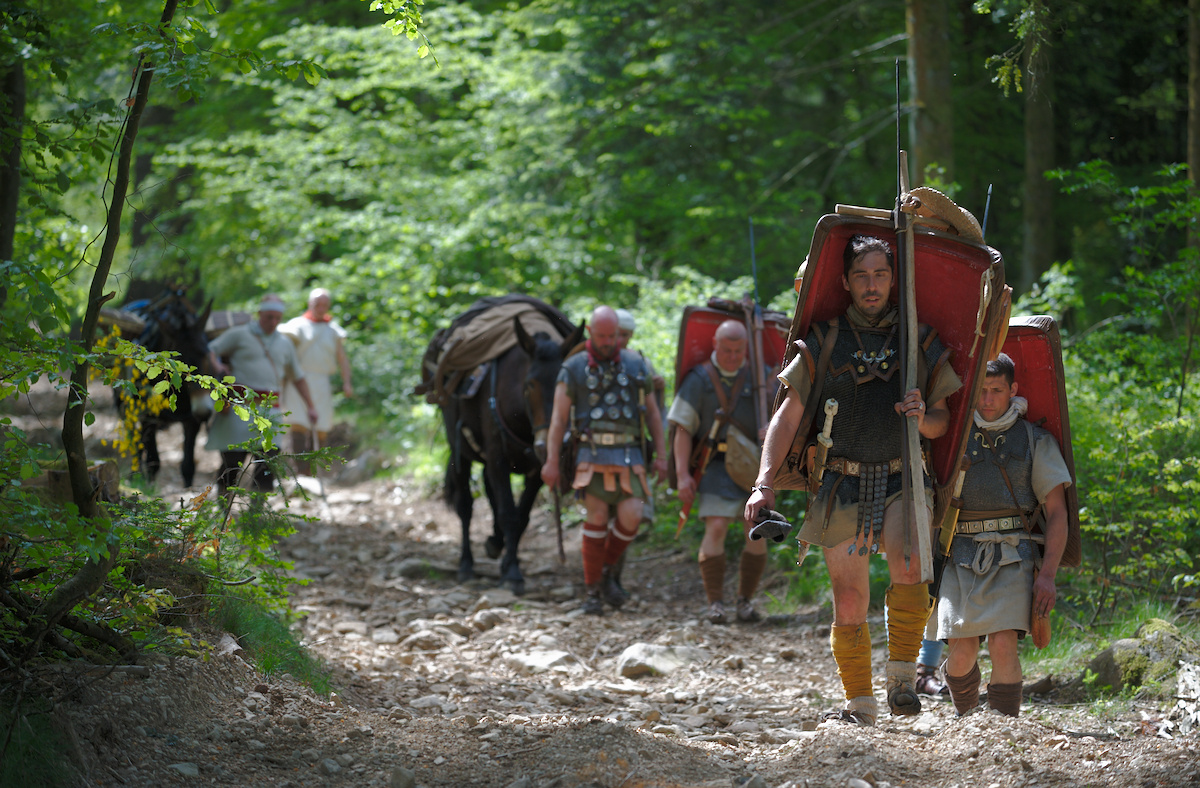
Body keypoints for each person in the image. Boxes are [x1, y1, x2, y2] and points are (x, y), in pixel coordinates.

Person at [746, 234, 962, 727]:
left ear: (894, 280)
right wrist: (764, 482)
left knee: (910, 566)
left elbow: (942, 423)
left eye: (881, 274)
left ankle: (903, 679)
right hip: (839, 481)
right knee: (848, 598)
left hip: (903, 475)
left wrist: (921, 413)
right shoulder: (822, 341)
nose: (871, 285)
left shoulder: (919, 341)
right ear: (845, 281)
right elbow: (787, 414)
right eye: (861, 275)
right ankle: (860, 703)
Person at [935, 352, 1071, 717]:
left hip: (1014, 554)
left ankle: (1004, 729)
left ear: (1013, 389)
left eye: (996, 390)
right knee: (960, 653)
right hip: (959, 553)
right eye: (981, 391)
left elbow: (1058, 513)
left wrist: (1047, 576)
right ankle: (966, 723)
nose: (988, 400)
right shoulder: (953, 438)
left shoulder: (1033, 440)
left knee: (1002, 644)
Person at [541, 305, 668, 615]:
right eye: (602, 336)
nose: (609, 342)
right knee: (596, 518)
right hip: (590, 453)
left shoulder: (636, 363)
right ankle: (593, 591)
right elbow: (558, 420)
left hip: (630, 454)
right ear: (590, 333)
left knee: (632, 516)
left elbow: (653, 413)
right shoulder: (573, 368)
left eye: (613, 336)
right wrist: (551, 461)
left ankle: (607, 570)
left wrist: (662, 456)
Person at [668, 319, 768, 625]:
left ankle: (745, 602)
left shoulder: (760, 378)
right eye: (727, 349)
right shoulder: (699, 379)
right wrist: (682, 474)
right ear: (715, 344)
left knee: (756, 530)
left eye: (739, 350)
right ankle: (715, 605)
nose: (733, 356)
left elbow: (784, 418)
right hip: (715, 466)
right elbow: (683, 428)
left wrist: (770, 430)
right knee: (716, 526)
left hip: (752, 467)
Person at [207, 294, 319, 494]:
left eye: (277, 318)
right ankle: (223, 514)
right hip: (239, 409)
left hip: (270, 412)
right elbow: (210, 350)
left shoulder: (285, 344)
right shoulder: (239, 334)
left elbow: (298, 378)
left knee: (267, 467)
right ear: (259, 314)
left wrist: (311, 407)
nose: (273, 322)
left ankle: (257, 516)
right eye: (269, 317)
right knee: (232, 463)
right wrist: (219, 368)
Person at [279, 287, 353, 474]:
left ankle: (313, 471)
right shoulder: (295, 325)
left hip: (321, 382)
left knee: (321, 427)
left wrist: (347, 382)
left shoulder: (333, 330)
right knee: (297, 423)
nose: (321, 308)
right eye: (317, 304)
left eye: (324, 304)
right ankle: (300, 471)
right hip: (298, 380)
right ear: (310, 304)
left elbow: (342, 358)